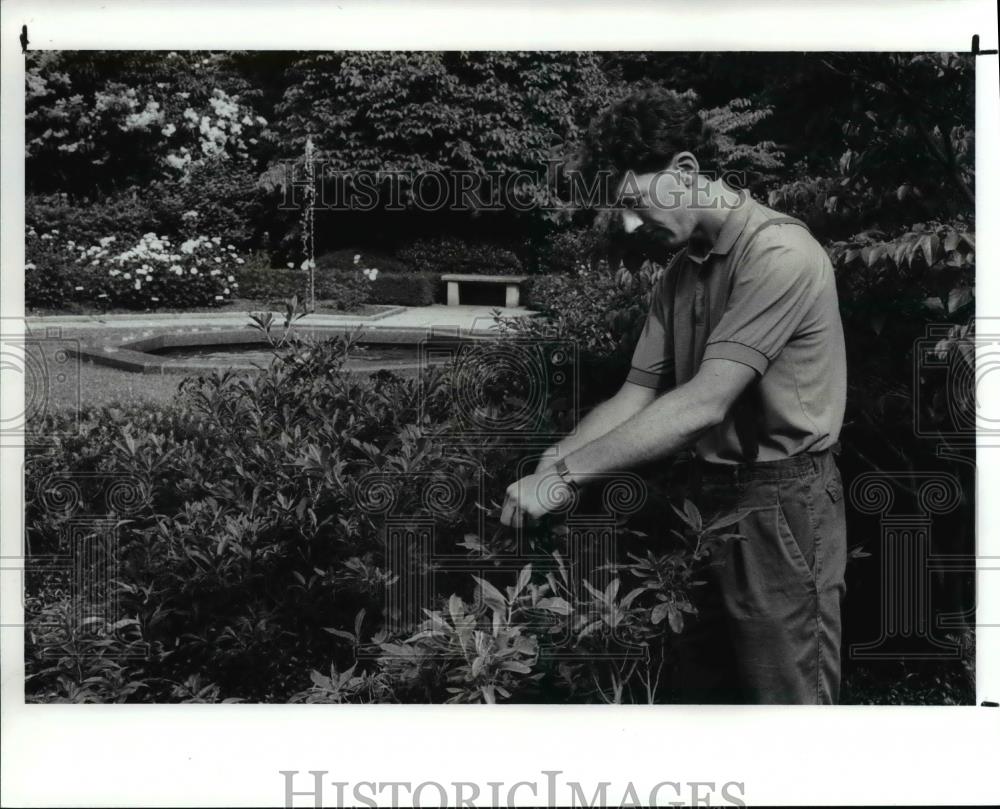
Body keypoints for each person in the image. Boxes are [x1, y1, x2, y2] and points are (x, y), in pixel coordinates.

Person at [499, 88, 848, 704]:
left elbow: (701, 404)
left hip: (784, 503)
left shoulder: (778, 253)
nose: (631, 224)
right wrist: (553, 461)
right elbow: (636, 393)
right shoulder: (683, 269)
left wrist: (566, 479)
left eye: (634, 203)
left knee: (787, 702)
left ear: (685, 171)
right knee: (704, 696)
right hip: (708, 500)